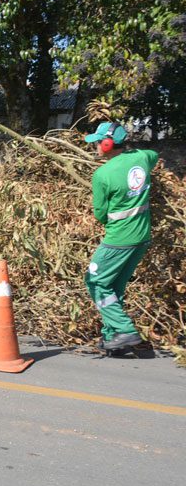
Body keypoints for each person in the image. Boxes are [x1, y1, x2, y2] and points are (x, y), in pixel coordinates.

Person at [83, 121, 158, 353]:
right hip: (142, 236)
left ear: (107, 144)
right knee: (114, 285)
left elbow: (100, 213)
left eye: (97, 142)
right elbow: (154, 155)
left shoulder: (103, 174)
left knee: (95, 281)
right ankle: (112, 335)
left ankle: (125, 330)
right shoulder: (143, 158)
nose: (95, 146)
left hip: (119, 239)